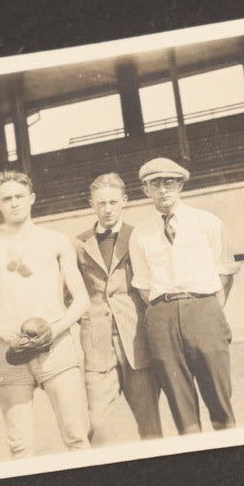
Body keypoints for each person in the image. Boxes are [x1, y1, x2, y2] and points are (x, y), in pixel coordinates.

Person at [0, 170, 91, 458]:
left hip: (57, 348)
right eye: (6, 198)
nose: (14, 203)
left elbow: (82, 300)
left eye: (19, 196)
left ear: (32, 198)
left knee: (76, 437)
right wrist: (3, 333)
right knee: (19, 445)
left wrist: (54, 330)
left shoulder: (57, 241)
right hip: (10, 351)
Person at [126, 157, 238, 434]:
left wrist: (208, 309)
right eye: (155, 184)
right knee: (180, 402)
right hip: (162, 314)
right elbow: (143, 285)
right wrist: (166, 309)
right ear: (145, 190)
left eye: (169, 183)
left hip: (203, 309)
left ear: (180, 185)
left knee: (219, 396)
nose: (163, 190)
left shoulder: (206, 222)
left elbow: (224, 272)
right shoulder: (140, 233)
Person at [73, 173, 163, 443]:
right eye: (101, 203)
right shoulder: (78, 244)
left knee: (150, 425)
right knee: (98, 426)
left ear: (124, 200)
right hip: (97, 346)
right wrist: (88, 318)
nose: (108, 209)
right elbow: (69, 295)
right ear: (91, 204)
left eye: (113, 202)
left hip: (137, 342)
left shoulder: (140, 236)